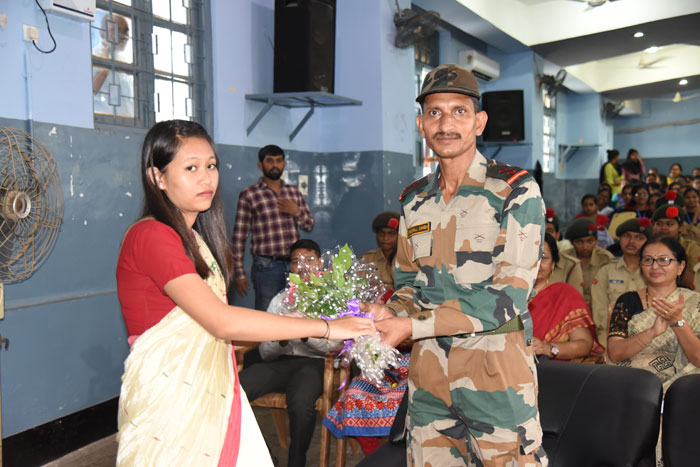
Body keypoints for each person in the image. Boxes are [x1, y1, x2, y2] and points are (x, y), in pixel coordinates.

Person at [114, 120, 374, 466]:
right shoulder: (152, 236)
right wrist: (323, 326)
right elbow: (221, 323)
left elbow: (206, 335)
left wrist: (285, 323)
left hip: (206, 391)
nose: (206, 178)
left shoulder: (194, 241)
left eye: (211, 166)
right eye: (190, 168)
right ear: (157, 177)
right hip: (172, 399)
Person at [363, 64, 547, 466]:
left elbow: (508, 297)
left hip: (497, 377)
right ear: (421, 123)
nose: (446, 123)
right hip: (429, 381)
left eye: (459, 111)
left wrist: (410, 326)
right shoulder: (414, 199)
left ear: (479, 122)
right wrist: (389, 310)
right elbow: (411, 283)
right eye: (435, 112)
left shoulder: (514, 189)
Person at [238, 239, 340, 467]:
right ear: (290, 268)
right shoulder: (280, 300)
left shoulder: (332, 298)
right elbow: (265, 352)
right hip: (280, 363)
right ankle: (264, 455)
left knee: (301, 401)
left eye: (309, 260)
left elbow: (336, 347)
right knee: (234, 391)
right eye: (296, 262)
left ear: (320, 263)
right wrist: (282, 337)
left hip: (315, 364)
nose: (302, 266)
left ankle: (296, 462)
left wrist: (307, 333)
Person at [607, 236, 700, 390]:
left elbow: (698, 358)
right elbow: (615, 353)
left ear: (680, 267)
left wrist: (677, 322)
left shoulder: (695, 303)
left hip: (683, 389)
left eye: (664, 260)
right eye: (648, 260)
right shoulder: (627, 301)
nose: (655, 266)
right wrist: (651, 333)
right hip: (633, 386)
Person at [231, 144, 315, 312]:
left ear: (284, 164)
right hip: (266, 266)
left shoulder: (293, 192)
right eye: (270, 161)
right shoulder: (250, 194)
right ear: (260, 165)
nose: (275, 165)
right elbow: (239, 237)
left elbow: (309, 225)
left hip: (295, 265)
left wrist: (296, 211)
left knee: (297, 310)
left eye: (278, 161)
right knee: (267, 312)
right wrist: (239, 272)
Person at [529, 234, 603, 362]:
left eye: (544, 257)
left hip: (549, 372)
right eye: (529, 256)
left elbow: (584, 344)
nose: (537, 263)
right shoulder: (503, 293)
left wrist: (548, 348)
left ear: (553, 265)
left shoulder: (564, 295)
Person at [591, 218, 651, 347]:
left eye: (639, 238)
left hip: (647, 337)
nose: (631, 241)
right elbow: (599, 309)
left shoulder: (654, 271)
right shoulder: (606, 270)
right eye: (626, 236)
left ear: (648, 242)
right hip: (609, 335)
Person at [562, 218, 615, 310]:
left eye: (590, 241)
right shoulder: (564, 258)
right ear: (571, 242)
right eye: (579, 242)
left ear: (596, 241)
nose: (585, 247)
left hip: (599, 308)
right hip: (570, 308)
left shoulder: (605, 258)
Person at [92, 12, 134, 118]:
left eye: (125, 32)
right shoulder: (93, 57)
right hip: (105, 121)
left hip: (129, 120)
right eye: (116, 30)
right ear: (102, 32)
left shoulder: (125, 61)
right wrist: (105, 65)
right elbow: (89, 93)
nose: (122, 36)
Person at [651, 203, 700, 290]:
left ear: (681, 227)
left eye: (670, 224)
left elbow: (695, 283)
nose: (663, 228)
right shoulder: (646, 248)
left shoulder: (692, 248)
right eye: (659, 224)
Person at [359, 211, 400, 293]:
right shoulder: (367, 259)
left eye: (391, 234)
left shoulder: (405, 258)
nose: (385, 238)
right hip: (371, 303)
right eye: (382, 234)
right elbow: (358, 285)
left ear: (399, 235)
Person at [545, 209, 584, 295]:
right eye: (540, 230)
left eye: (549, 231)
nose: (544, 235)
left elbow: (575, 301)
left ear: (558, 235)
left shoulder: (571, 265)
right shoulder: (522, 262)